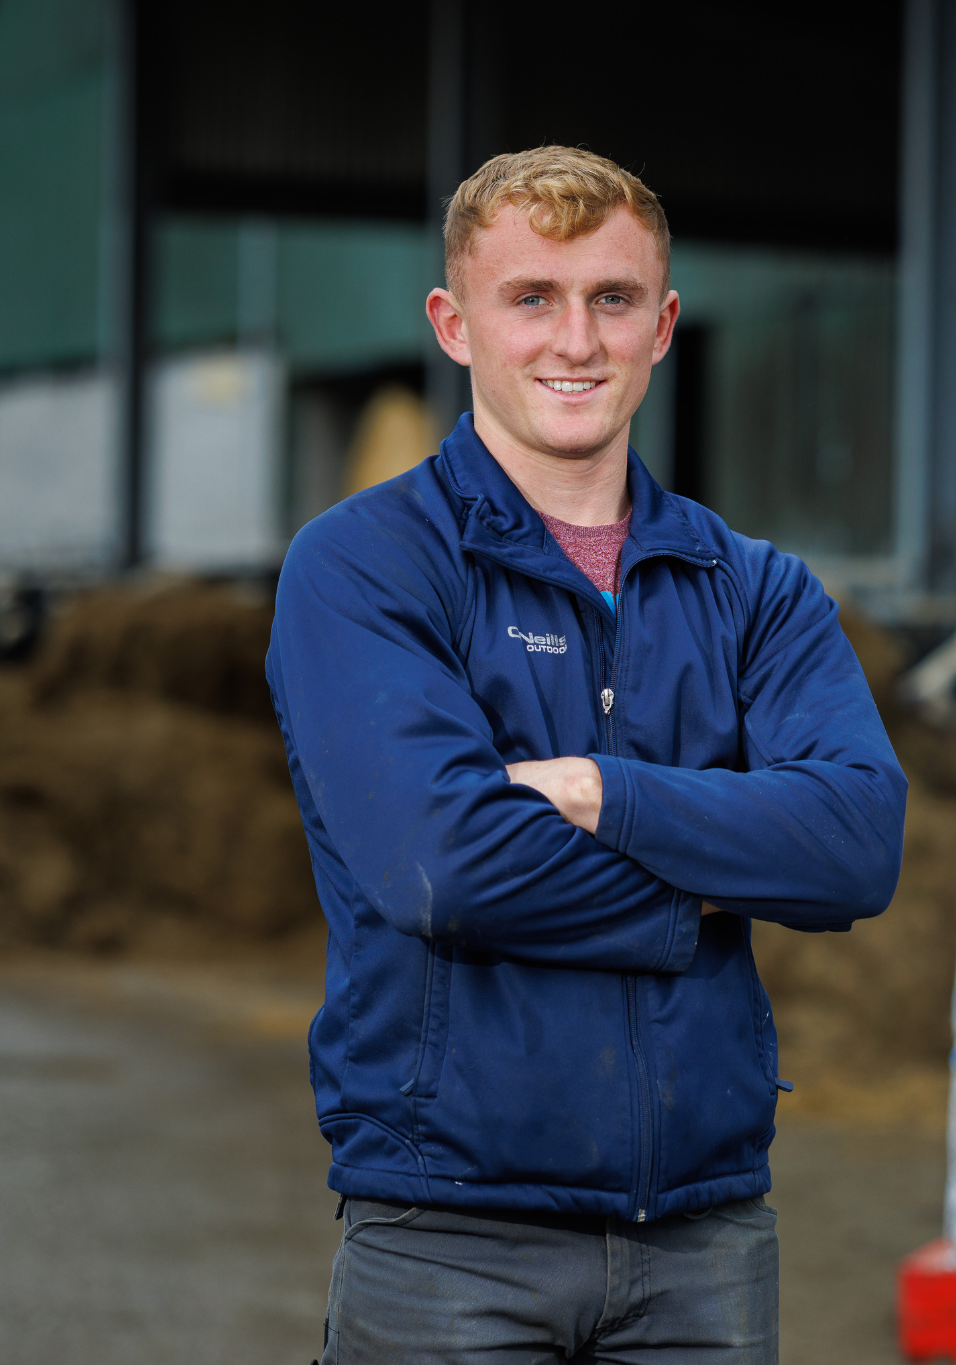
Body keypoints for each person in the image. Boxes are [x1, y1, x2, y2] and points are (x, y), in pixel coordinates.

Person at [266, 145, 907, 1364]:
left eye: (611, 299)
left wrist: (605, 793)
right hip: (448, 1237)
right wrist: (713, 882)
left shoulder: (754, 589)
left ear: (662, 326)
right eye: (531, 300)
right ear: (455, 325)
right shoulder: (363, 566)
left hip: (705, 1247)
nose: (576, 340)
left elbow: (856, 846)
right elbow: (441, 866)